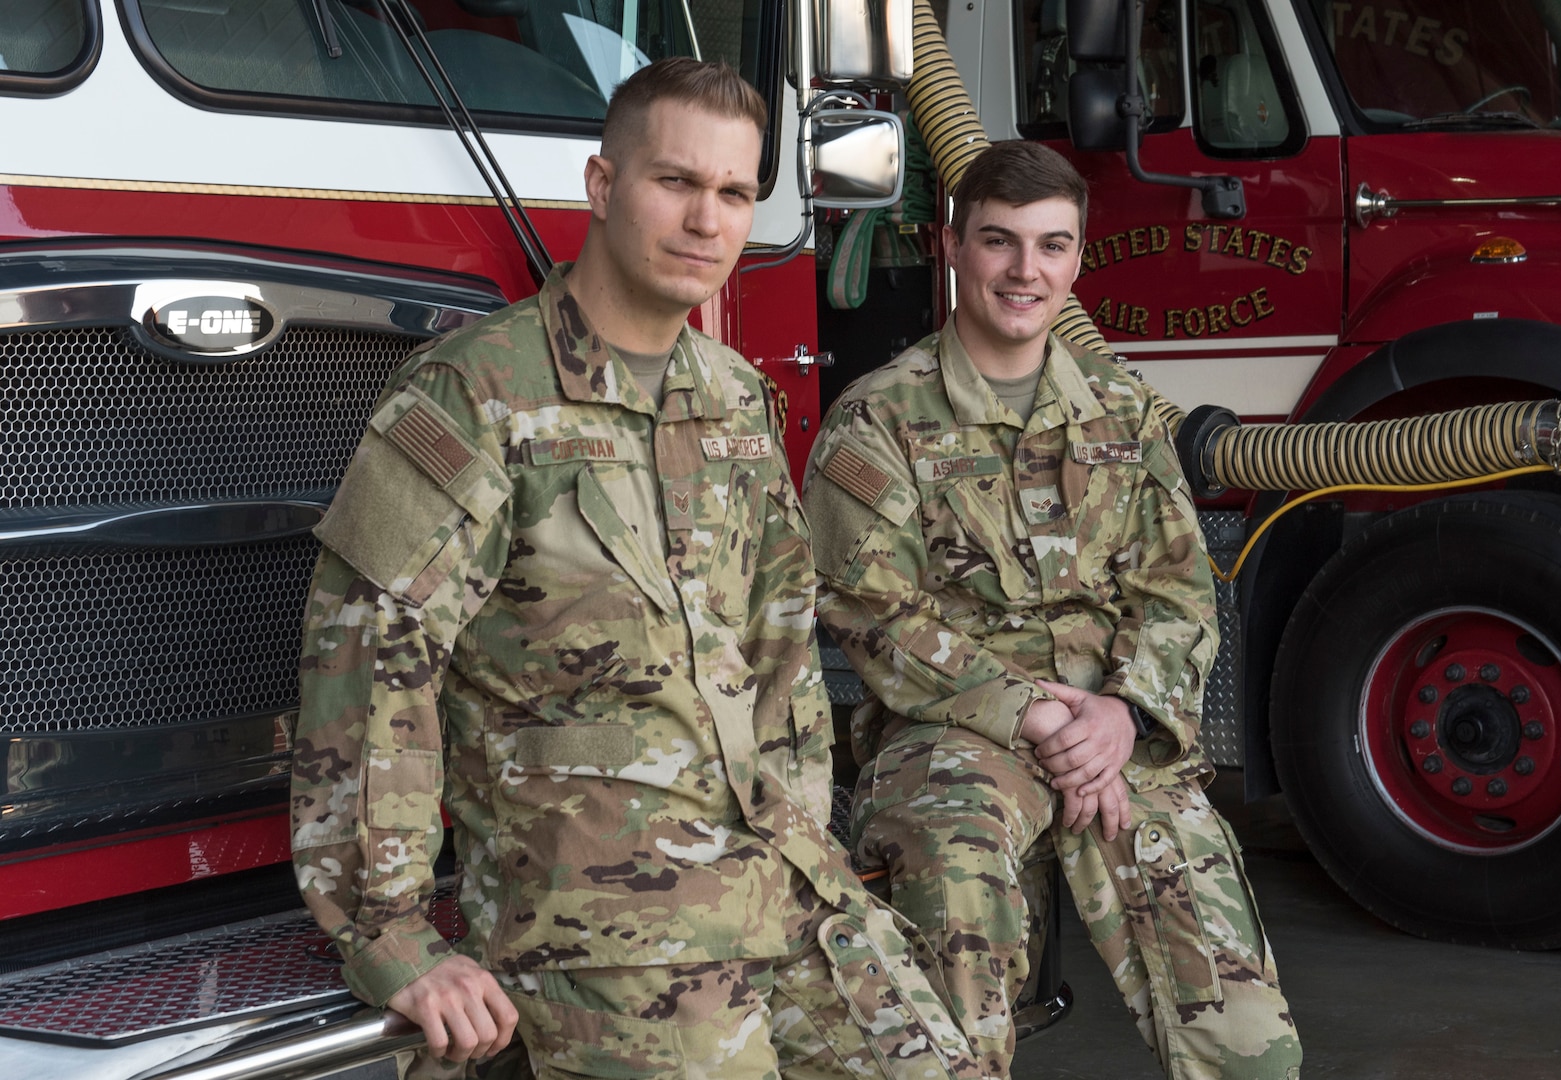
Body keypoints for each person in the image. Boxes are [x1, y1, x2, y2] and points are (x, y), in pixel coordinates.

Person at [291, 58, 980, 1080]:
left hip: (774, 880)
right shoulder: (476, 397)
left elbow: (780, 646)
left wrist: (807, 838)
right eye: (676, 183)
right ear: (604, 187)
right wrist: (388, 936)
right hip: (598, 916)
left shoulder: (736, 396)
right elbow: (369, 664)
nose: (708, 219)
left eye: (735, 193)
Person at [802, 140, 1302, 1080]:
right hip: (953, 733)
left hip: (1115, 729)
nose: (1024, 271)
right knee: (955, 879)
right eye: (999, 242)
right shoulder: (879, 420)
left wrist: (1120, 714)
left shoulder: (1122, 409)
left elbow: (1178, 588)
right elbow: (870, 615)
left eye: (1050, 245)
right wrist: (1031, 711)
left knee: (1248, 1041)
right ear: (950, 245)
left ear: (1077, 255)